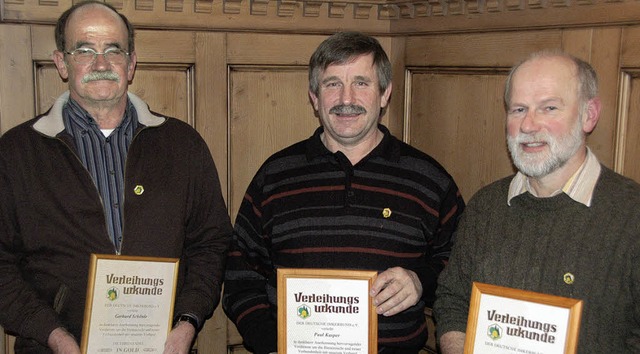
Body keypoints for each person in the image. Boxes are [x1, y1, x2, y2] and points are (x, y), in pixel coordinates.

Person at [0, 2, 232, 353]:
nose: (101, 64)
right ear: (61, 62)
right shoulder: (16, 152)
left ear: (131, 62)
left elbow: (211, 243)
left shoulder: (183, 145)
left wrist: (188, 322)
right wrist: (53, 334)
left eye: (113, 50)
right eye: (84, 50)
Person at [222, 31, 465, 354]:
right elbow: (240, 275)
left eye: (361, 83)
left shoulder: (429, 180)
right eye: (332, 83)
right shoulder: (275, 177)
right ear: (314, 96)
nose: (346, 99)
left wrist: (421, 280)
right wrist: (272, 344)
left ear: (385, 94)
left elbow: (461, 269)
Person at [434, 50, 640, 353]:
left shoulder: (632, 215)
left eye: (549, 108)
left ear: (589, 115)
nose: (528, 126)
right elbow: (452, 298)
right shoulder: (486, 206)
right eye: (518, 109)